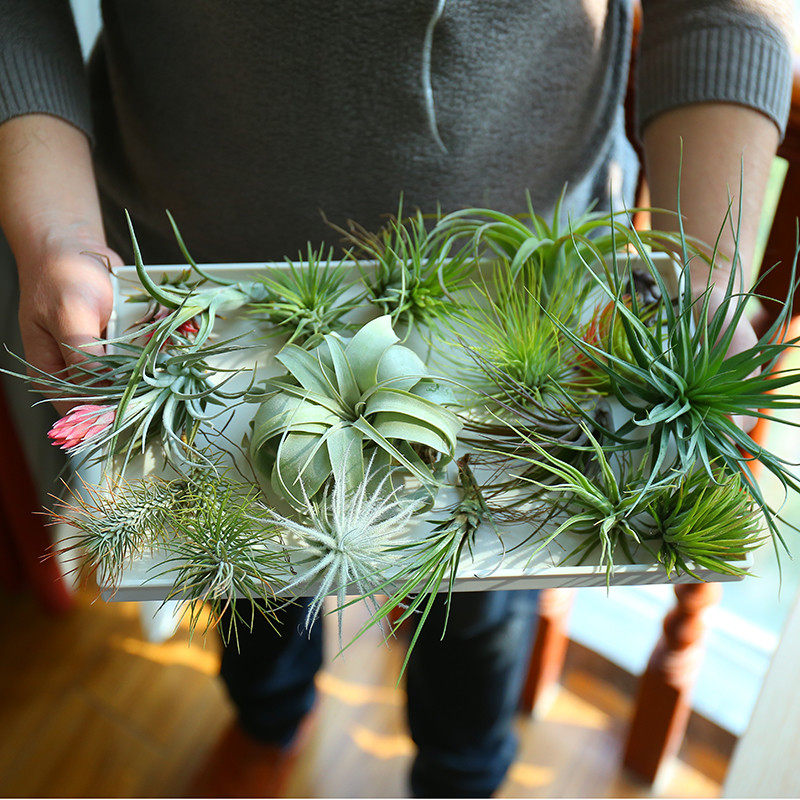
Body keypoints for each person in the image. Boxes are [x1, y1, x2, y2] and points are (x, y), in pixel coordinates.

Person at [0, 2, 793, 797]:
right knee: (248, 583)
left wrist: (708, 271)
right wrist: (55, 232)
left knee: (479, 612)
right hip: (204, 295)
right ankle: (269, 720)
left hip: (519, 293)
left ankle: (460, 775)